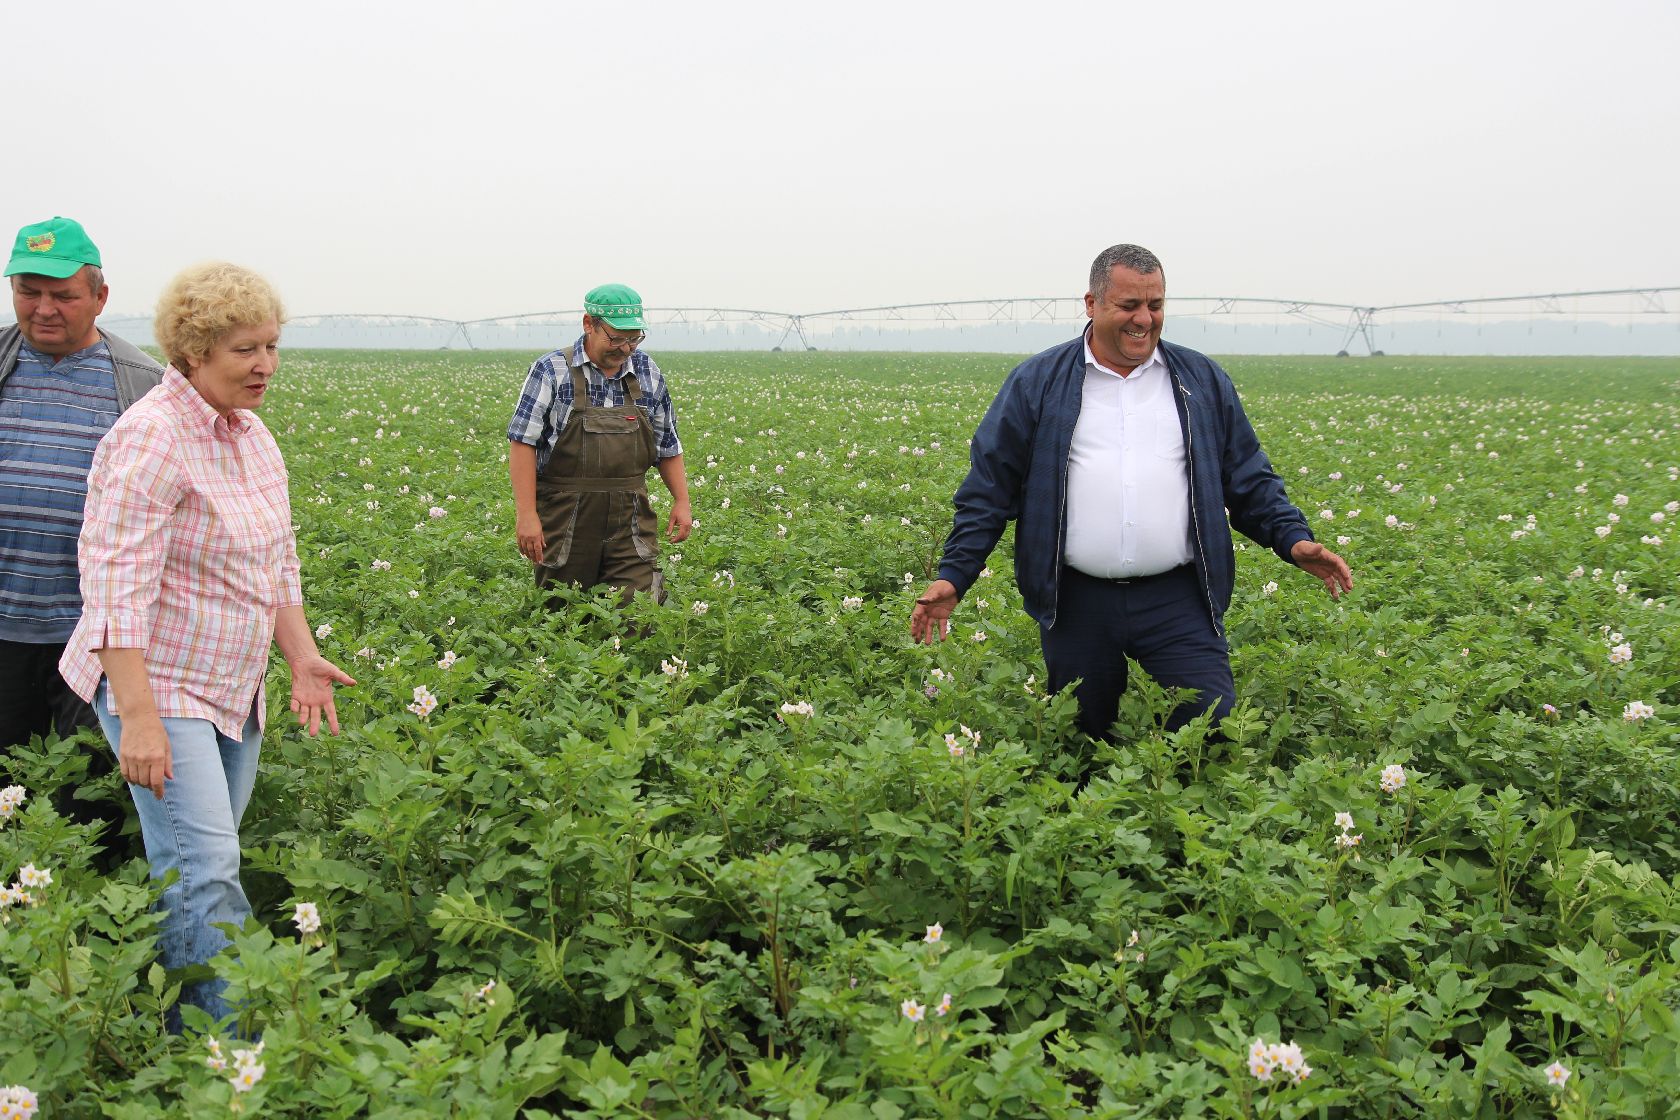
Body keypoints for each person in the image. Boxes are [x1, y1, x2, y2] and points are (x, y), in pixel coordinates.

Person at [58, 262, 353, 1027]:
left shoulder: (252, 437)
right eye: (243, 350)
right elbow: (114, 587)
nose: (264, 366)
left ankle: (189, 1026)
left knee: (197, 866)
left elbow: (276, 558)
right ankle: (214, 1053)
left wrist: (301, 654)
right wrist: (141, 717)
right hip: (156, 682)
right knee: (207, 869)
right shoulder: (150, 438)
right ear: (193, 352)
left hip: (231, 682)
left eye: (271, 346)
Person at [911, 244, 1351, 742]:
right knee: (1082, 738)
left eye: (1156, 305)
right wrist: (955, 574)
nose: (1145, 319)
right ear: (1092, 304)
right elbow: (989, 489)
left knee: (1214, 726)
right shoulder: (1038, 382)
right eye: (1129, 306)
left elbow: (1248, 478)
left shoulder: (1200, 381)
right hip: (1075, 598)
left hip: (1178, 596)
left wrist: (1293, 540)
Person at [1, 217, 163, 755]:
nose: (44, 308)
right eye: (29, 292)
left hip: (92, 642)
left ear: (100, 297)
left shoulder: (142, 384)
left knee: (83, 807)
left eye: (63, 295)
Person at [508, 283, 692, 600]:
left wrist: (682, 500)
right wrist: (526, 515)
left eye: (634, 339)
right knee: (562, 616)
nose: (625, 349)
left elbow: (667, 445)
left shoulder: (648, 371)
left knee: (637, 616)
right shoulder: (551, 370)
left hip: (630, 518)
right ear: (588, 324)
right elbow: (523, 442)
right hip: (565, 518)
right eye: (616, 338)